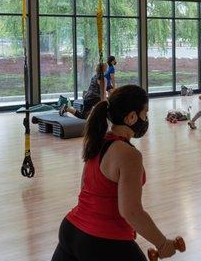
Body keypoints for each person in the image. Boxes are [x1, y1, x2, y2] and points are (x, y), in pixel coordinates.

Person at [51, 85, 178, 261]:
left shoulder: (97, 141)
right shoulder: (129, 155)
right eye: (145, 114)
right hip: (102, 241)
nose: (146, 119)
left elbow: (84, 189)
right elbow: (131, 212)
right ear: (132, 117)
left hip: (71, 231)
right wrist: (162, 244)